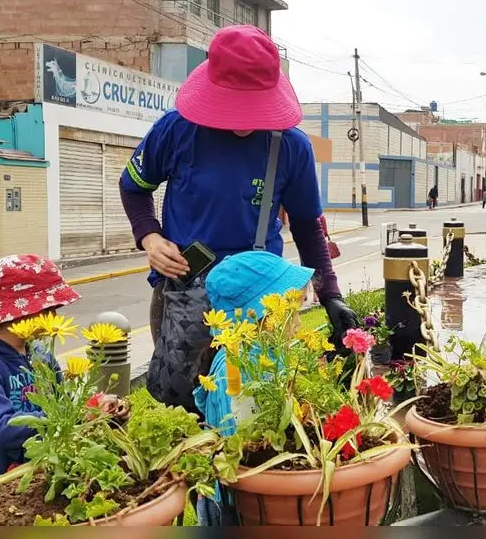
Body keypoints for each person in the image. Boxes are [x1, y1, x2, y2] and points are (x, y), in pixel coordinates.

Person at [119, 25, 359, 413]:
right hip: (183, 293)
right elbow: (134, 187)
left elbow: (307, 227)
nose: (242, 118)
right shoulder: (177, 130)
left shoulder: (291, 147)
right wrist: (149, 237)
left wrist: (330, 294)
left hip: (260, 301)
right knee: (184, 411)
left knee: (254, 412)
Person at [0, 254, 123, 481]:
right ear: (18, 311)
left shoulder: (40, 352)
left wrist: (98, 409)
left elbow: (61, 404)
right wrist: (74, 414)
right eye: (48, 308)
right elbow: (0, 429)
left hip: (44, 475)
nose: (54, 316)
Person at [192, 250, 316, 525]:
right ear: (257, 316)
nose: (297, 325)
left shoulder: (265, 353)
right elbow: (244, 449)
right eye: (289, 315)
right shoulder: (234, 370)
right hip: (240, 505)